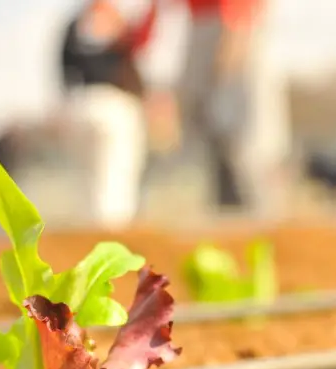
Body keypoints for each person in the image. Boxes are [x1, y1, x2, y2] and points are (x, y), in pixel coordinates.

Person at [178, 0, 290, 217]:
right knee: (212, 143)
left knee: (247, 147)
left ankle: (257, 217)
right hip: (211, 28)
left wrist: (226, 64)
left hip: (233, 36)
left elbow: (239, 16)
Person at [60, 0, 158, 228]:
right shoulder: (119, 24)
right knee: (116, 176)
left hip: (81, 104)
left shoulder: (73, 25)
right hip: (116, 106)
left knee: (87, 180)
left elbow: (64, 72)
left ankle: (89, 233)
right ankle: (112, 234)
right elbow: (143, 41)